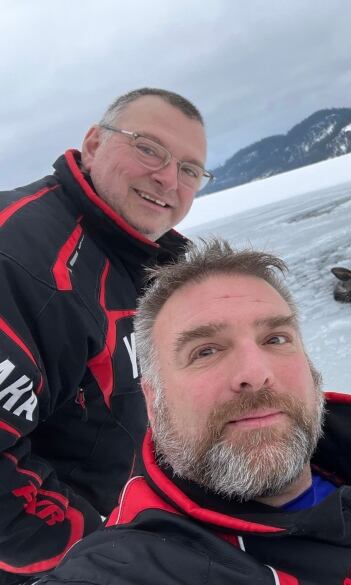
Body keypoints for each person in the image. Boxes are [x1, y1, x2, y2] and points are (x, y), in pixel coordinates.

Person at [36, 238, 351, 585]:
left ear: (310, 367)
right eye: (205, 350)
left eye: (275, 339)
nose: (255, 371)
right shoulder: (139, 565)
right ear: (152, 398)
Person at [0, 88, 211, 583]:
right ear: (93, 144)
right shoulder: (23, 264)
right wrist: (104, 554)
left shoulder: (133, 254)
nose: (168, 178)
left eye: (189, 170)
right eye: (148, 148)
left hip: (136, 514)